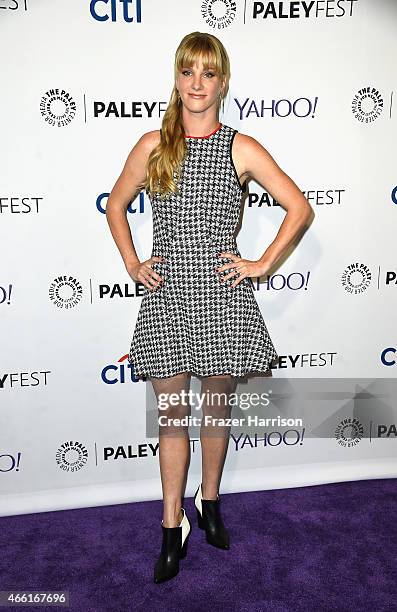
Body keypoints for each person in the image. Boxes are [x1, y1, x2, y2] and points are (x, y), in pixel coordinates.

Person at [106, 31, 313, 584]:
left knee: (215, 410)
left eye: (209, 73)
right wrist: (132, 262)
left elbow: (299, 207)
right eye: (188, 72)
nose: (198, 84)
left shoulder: (241, 147)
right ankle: (171, 528)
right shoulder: (153, 144)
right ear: (176, 79)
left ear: (223, 81)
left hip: (223, 297)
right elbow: (116, 206)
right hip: (167, 297)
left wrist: (260, 264)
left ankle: (211, 502)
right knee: (173, 419)